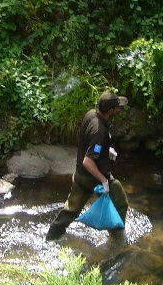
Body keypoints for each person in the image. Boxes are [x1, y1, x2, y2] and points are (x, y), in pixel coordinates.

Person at [46, 90, 129, 241]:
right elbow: (88, 161)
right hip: (92, 177)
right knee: (120, 202)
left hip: (80, 174)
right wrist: (104, 181)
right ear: (110, 111)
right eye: (117, 108)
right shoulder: (100, 131)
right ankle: (117, 240)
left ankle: (51, 236)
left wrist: (105, 150)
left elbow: (89, 141)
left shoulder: (91, 114)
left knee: (70, 210)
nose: (119, 110)